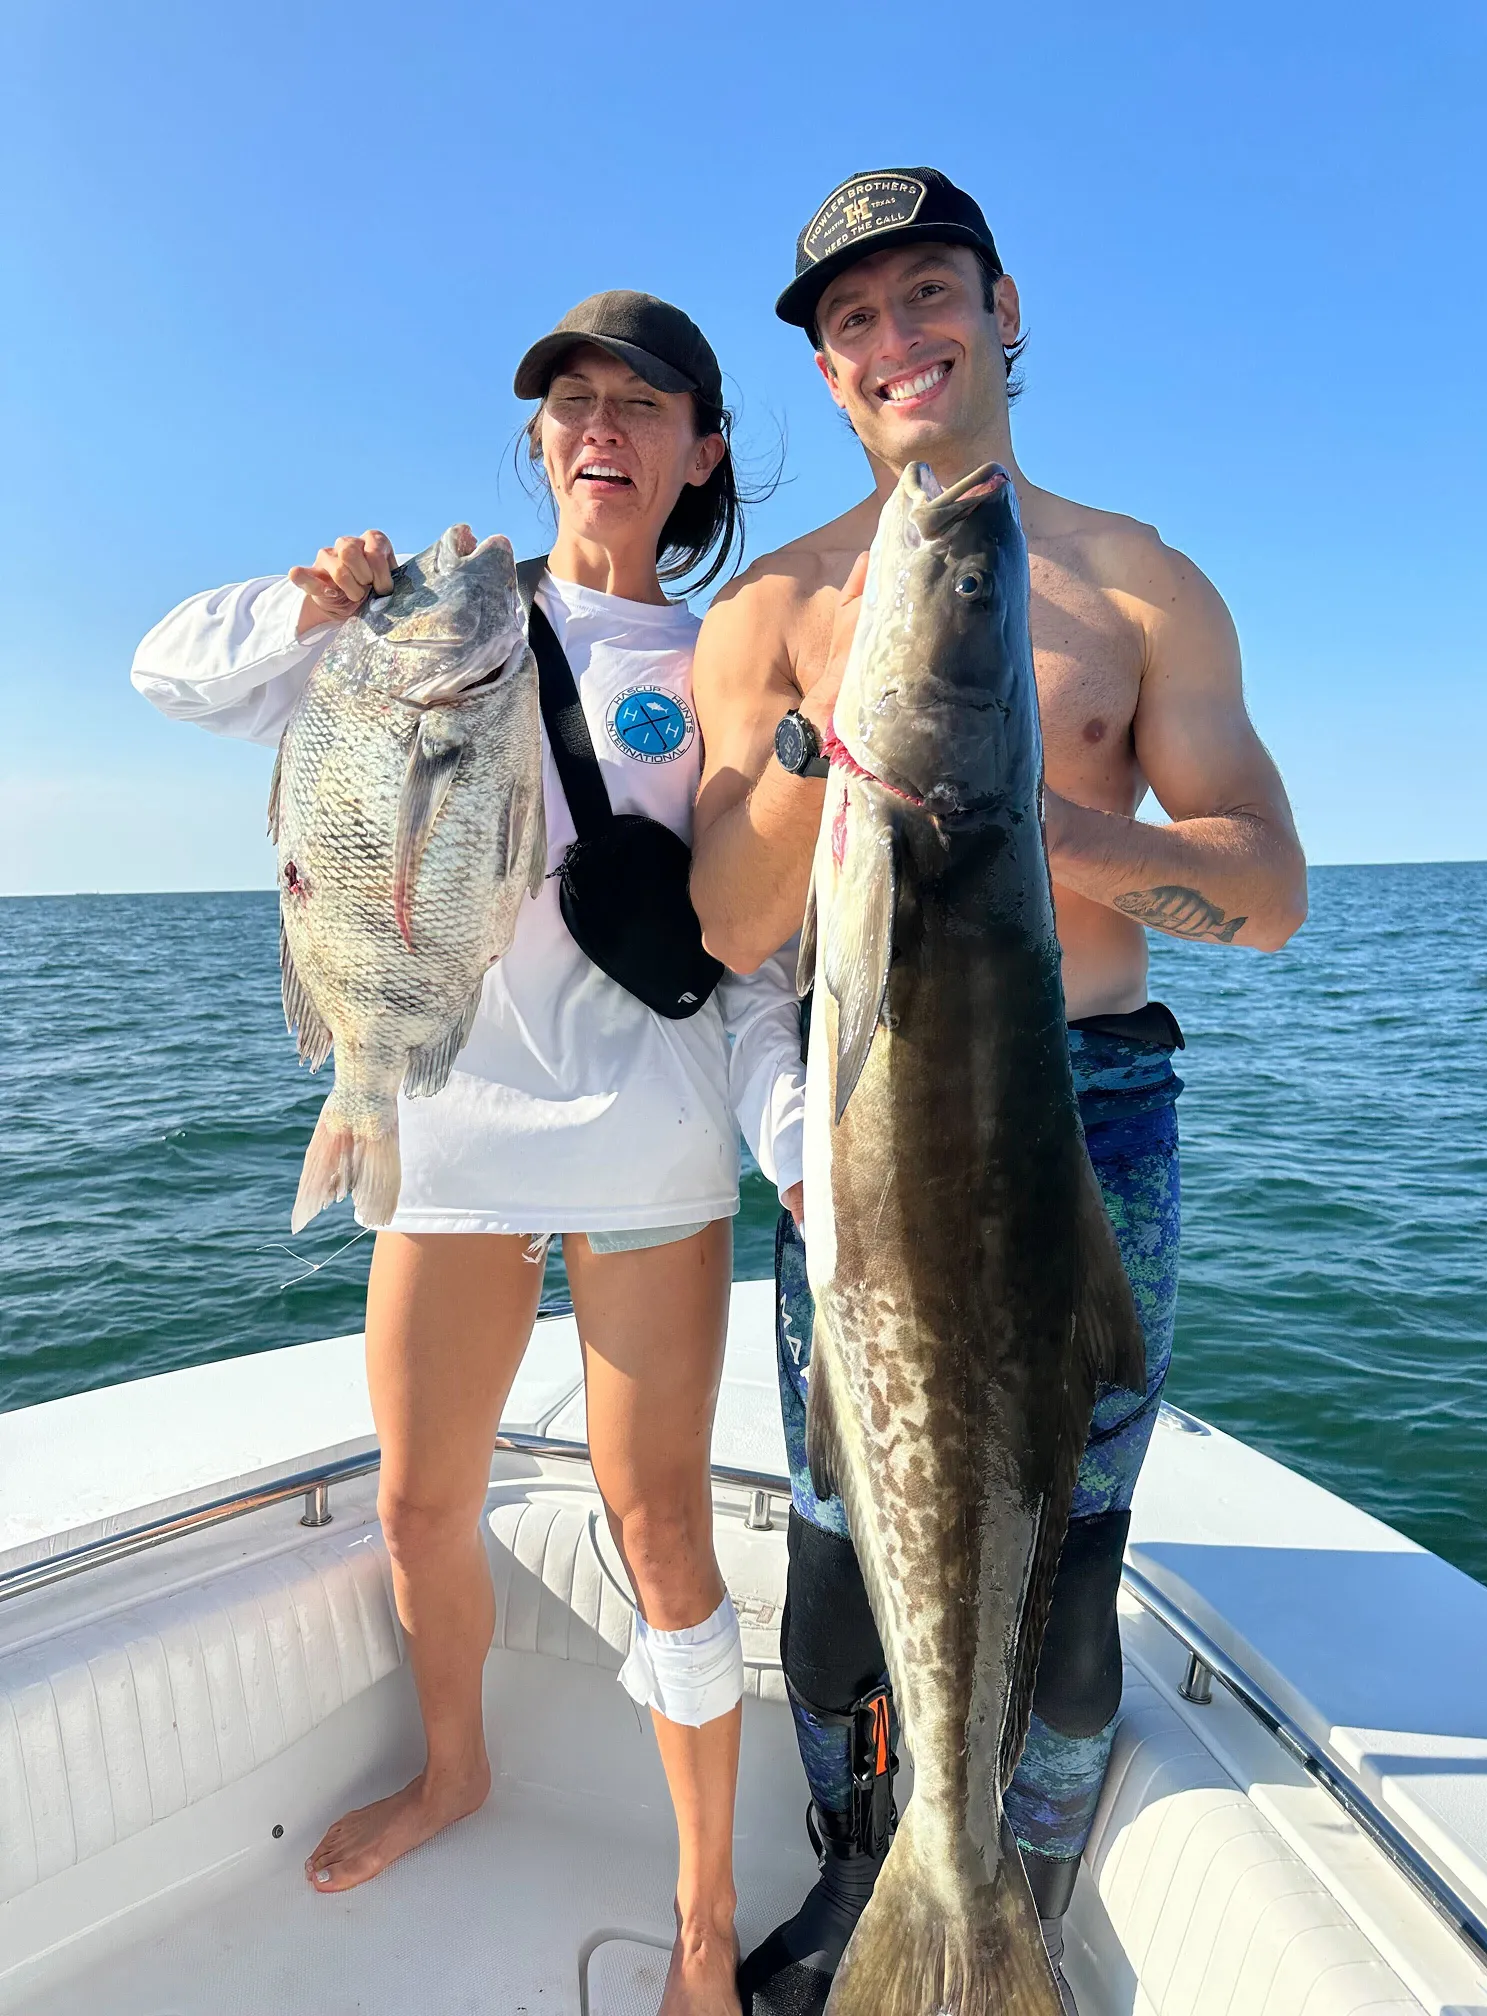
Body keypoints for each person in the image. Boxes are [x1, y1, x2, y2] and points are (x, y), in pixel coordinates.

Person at [131, 290, 803, 2016]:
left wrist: (796, 1144)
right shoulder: (425, 619)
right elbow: (169, 674)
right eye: (573, 401)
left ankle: (708, 1914)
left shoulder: (728, 656)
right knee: (424, 1500)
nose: (603, 428)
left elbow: (758, 952)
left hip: (650, 1149)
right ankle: (456, 1770)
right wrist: (305, 597)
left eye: (644, 404)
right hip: (433, 1122)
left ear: (701, 449)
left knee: (662, 1532)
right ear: (539, 438)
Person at [690, 169, 1308, 2016]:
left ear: (1003, 303)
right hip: (867, 1126)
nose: (897, 339)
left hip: (1091, 1115)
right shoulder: (777, 612)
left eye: (928, 293)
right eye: (853, 320)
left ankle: (1011, 1907)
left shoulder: (1141, 585)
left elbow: (1265, 896)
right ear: (822, 369)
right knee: (830, 1576)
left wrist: (1054, 831)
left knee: (1071, 1568)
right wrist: (833, 757)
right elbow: (729, 926)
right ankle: (879, 1881)